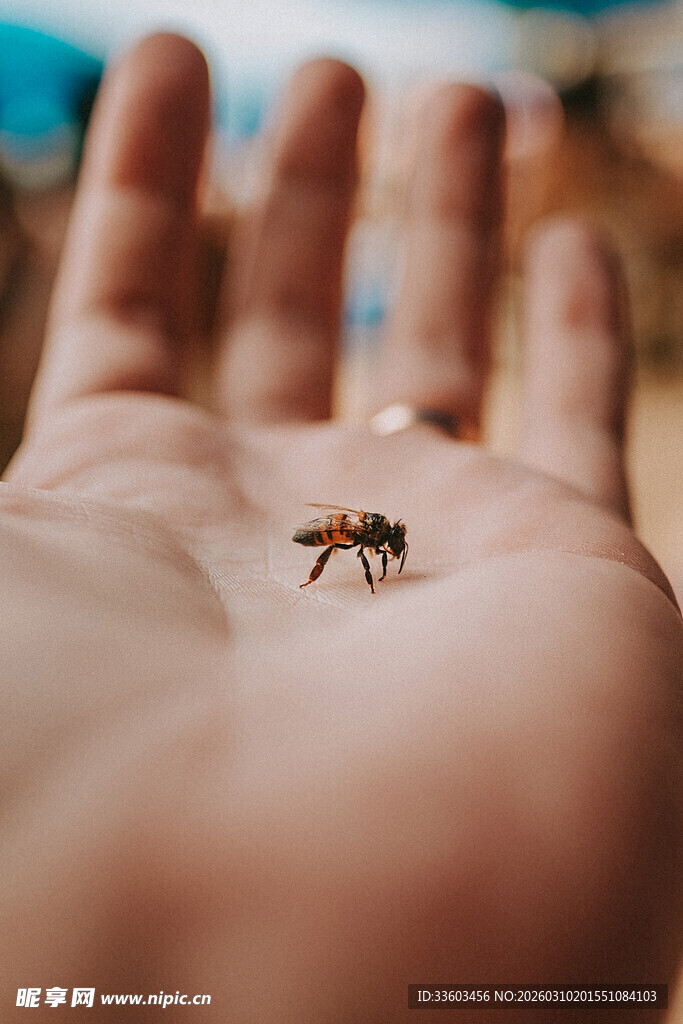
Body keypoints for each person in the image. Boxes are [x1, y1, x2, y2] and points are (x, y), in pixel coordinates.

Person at [0, 31, 680, 1023]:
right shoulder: (357, 538)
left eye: (387, 549)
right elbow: (343, 537)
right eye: (388, 549)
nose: (389, 553)